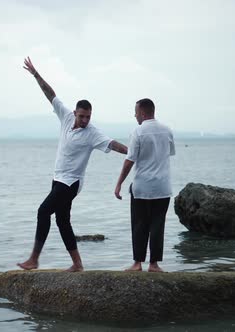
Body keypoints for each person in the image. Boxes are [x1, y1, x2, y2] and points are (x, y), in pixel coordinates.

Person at [17, 57, 128, 272]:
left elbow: (112, 144)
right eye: (82, 116)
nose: (85, 120)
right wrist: (36, 74)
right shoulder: (66, 117)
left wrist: (132, 152)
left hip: (72, 182)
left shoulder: (92, 133)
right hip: (58, 178)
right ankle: (77, 264)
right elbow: (50, 95)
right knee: (62, 221)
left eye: (88, 117)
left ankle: (34, 259)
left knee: (43, 212)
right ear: (76, 113)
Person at [114, 98, 175, 272]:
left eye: (136, 112)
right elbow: (169, 153)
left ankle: (137, 263)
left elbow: (129, 160)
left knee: (139, 224)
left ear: (142, 112)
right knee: (158, 224)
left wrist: (119, 184)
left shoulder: (138, 132)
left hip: (142, 187)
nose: (135, 116)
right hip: (163, 187)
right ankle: (154, 264)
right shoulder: (167, 130)